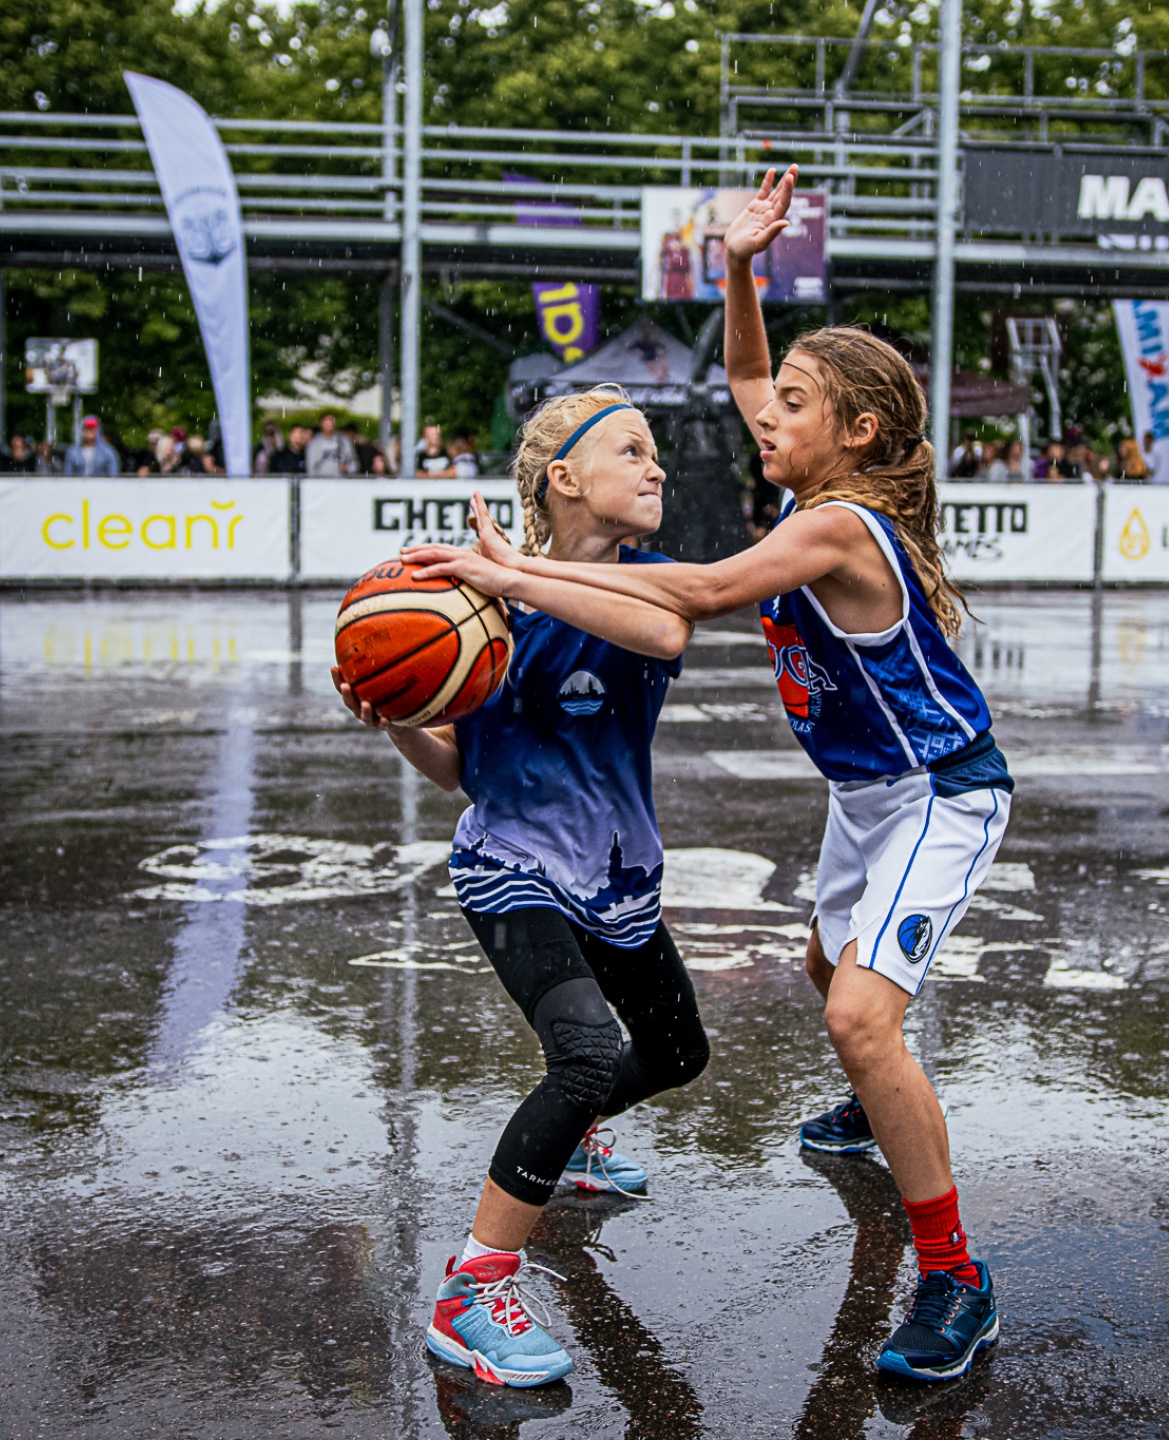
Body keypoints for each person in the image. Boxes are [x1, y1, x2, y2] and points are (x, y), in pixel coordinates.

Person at [410, 166, 1012, 1385]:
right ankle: (876, 1105)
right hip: (865, 796)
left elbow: (699, 591)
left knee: (859, 1018)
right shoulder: (813, 477)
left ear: (854, 434)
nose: (759, 413)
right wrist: (737, 266)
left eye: (788, 404)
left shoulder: (837, 524)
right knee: (831, 973)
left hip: (938, 790)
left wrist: (513, 575)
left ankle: (956, 1278)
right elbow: (745, 370)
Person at [339, 384, 710, 1389]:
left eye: (653, 452)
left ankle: (571, 1143)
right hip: (509, 866)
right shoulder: (482, 613)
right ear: (563, 478)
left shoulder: (650, 585)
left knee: (676, 1053)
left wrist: (518, 576)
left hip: (616, 871)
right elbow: (461, 770)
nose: (656, 466)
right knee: (583, 1055)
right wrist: (397, 712)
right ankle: (470, 1293)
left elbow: (664, 635)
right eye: (629, 449)